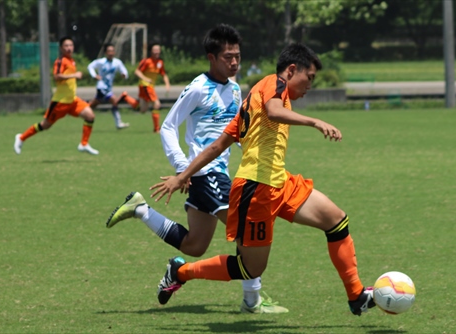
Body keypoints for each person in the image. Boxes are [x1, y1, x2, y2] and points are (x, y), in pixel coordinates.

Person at [150, 43, 376, 316]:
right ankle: (181, 272)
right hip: (255, 189)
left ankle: (356, 295)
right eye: (309, 78)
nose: (310, 86)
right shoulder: (273, 84)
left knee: (336, 220)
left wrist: (184, 175)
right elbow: (274, 111)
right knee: (251, 268)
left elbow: (217, 146)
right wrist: (315, 122)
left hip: (280, 182)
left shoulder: (253, 102)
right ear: (292, 70)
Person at [105, 24, 287, 314]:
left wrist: (253, 155)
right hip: (205, 173)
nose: (235, 62)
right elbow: (167, 126)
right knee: (246, 230)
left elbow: (235, 133)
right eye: (228, 57)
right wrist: (183, 169)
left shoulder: (236, 90)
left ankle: (140, 210)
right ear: (211, 57)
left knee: (194, 245)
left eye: (237, 55)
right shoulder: (198, 88)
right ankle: (252, 301)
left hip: (218, 174)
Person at [14, 36, 99, 155]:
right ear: (61, 48)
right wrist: (74, 75)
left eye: (71, 45)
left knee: (90, 116)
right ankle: (21, 138)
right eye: (66, 46)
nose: (69, 48)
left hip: (72, 100)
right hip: (60, 102)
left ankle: (84, 144)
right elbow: (56, 76)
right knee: (45, 125)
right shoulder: (60, 61)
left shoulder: (72, 61)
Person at [87, 43, 139, 129]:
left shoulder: (117, 62)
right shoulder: (101, 62)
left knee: (92, 105)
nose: (111, 53)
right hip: (101, 87)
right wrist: (94, 75)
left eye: (112, 51)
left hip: (109, 88)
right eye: (109, 51)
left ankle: (80, 111)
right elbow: (90, 66)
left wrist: (124, 75)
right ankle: (118, 123)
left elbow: (124, 72)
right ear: (105, 52)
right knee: (114, 101)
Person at [134, 43, 171, 133]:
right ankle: (157, 129)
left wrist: (167, 84)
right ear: (151, 51)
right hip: (145, 85)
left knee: (143, 109)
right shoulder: (146, 61)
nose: (156, 52)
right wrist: (146, 79)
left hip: (149, 86)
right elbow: (137, 72)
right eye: (154, 50)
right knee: (157, 104)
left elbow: (163, 74)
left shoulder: (160, 62)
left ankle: (125, 97)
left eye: (158, 50)